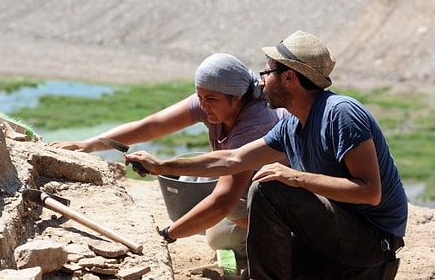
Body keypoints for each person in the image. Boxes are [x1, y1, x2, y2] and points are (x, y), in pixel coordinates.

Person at [126, 30, 408, 279]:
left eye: (266, 73)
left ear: (289, 77)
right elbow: (232, 160)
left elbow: (370, 192)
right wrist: (162, 165)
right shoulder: (292, 123)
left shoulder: (341, 114)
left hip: (373, 240)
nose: (260, 83)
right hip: (333, 233)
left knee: (266, 188)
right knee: (258, 264)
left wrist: (297, 178)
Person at [50, 52, 287, 261]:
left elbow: (223, 200)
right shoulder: (214, 99)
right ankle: (262, 237)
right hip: (250, 184)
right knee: (218, 239)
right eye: (199, 97)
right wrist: (88, 145)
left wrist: (166, 235)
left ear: (236, 97)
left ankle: (286, 240)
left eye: (210, 100)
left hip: (282, 194)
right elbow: (152, 126)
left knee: (230, 204)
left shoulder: (255, 124)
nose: (203, 105)